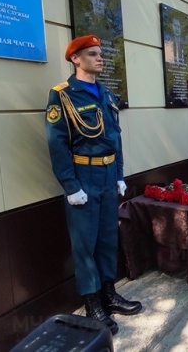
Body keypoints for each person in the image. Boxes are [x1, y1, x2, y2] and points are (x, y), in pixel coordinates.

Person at [45, 35, 142, 334]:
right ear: (76, 59)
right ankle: (92, 303)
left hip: (108, 174)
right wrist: (70, 185)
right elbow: (57, 143)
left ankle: (109, 294)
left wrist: (120, 174)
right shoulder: (63, 95)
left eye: (100, 53)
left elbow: (116, 138)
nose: (100, 58)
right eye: (92, 54)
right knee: (85, 243)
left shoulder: (106, 94)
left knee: (107, 238)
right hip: (83, 177)